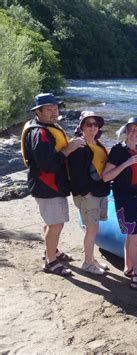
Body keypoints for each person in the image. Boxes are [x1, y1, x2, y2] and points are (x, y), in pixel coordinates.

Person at [21, 93, 85, 276]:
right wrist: (69, 148)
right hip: (47, 186)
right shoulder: (39, 133)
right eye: (49, 109)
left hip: (49, 185)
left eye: (55, 109)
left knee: (51, 223)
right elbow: (47, 164)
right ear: (38, 112)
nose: (53, 113)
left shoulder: (45, 127)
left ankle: (51, 251)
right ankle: (51, 262)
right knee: (56, 224)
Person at [102, 117, 137, 289]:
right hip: (125, 198)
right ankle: (136, 274)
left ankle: (128, 267)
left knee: (132, 235)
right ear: (126, 131)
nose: (135, 133)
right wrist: (127, 163)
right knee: (136, 237)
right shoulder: (118, 150)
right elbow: (106, 176)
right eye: (132, 130)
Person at [68, 111, 111, 275]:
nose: (92, 127)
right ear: (82, 127)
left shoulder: (98, 144)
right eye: (88, 124)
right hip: (88, 195)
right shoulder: (79, 146)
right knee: (91, 229)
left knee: (94, 228)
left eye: (95, 124)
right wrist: (85, 193)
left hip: (99, 192)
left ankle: (91, 259)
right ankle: (87, 263)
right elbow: (75, 172)